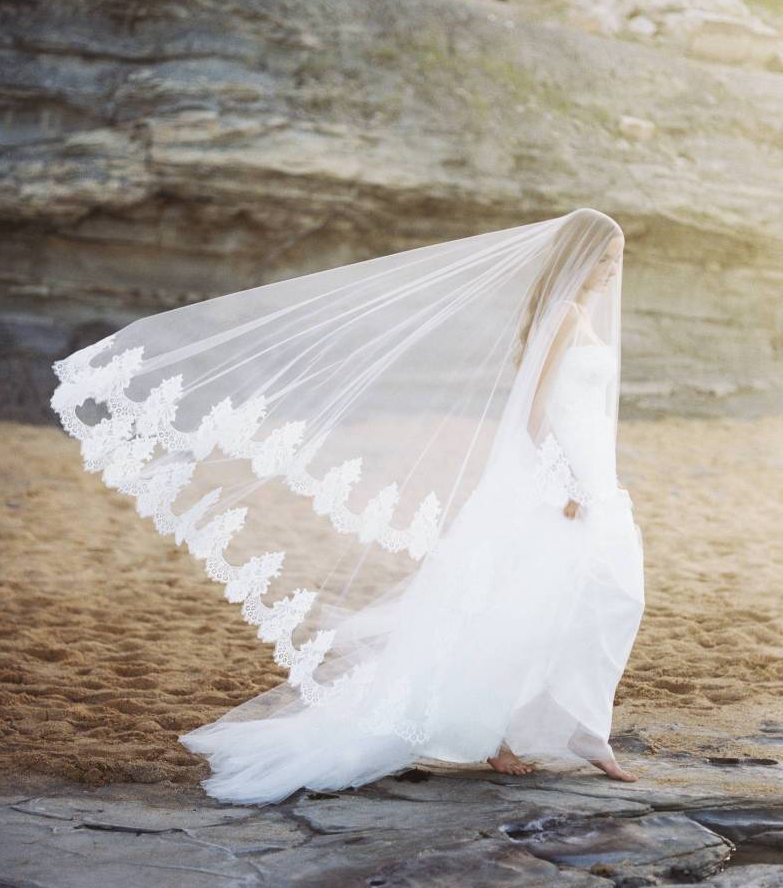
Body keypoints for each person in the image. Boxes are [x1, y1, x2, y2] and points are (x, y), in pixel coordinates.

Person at [51, 207, 645, 805]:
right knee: (532, 605)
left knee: (603, 596)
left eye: (616, 259)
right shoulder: (564, 317)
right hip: (560, 480)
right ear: (574, 256)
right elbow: (532, 411)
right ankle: (525, 734)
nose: (610, 270)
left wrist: (591, 476)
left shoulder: (584, 317)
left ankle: (575, 729)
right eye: (602, 258)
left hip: (592, 476)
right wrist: (561, 480)